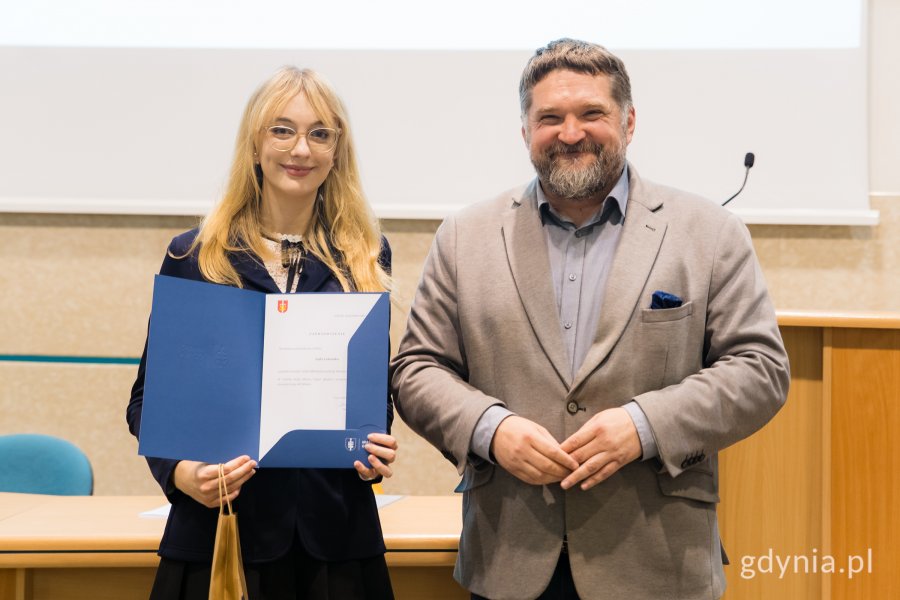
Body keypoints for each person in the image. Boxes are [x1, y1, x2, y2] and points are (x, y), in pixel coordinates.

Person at [390, 39, 789, 600]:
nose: (571, 132)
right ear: (525, 131)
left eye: (591, 113)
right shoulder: (464, 237)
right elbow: (416, 369)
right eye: (550, 118)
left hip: (658, 564)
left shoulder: (709, 233)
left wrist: (645, 425)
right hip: (508, 559)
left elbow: (760, 369)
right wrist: (490, 429)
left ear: (629, 122)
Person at [126, 66, 398, 600]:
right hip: (220, 535)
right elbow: (147, 402)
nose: (301, 149)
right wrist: (181, 473)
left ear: (337, 151)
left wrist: (375, 452)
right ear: (254, 144)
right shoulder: (195, 256)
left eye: (320, 133)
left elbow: (371, 398)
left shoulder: (366, 255)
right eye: (282, 130)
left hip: (336, 542)